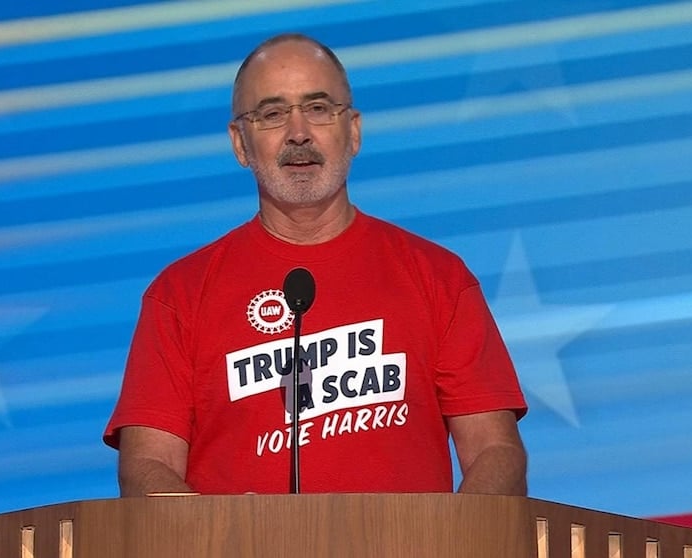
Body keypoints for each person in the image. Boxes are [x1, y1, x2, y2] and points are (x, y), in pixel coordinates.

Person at [102, 33, 528, 497]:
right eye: (271, 114)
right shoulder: (180, 294)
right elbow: (146, 466)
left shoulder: (439, 278)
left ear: (355, 131)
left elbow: (495, 452)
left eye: (319, 108)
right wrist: (224, 540)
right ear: (240, 144)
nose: (298, 132)